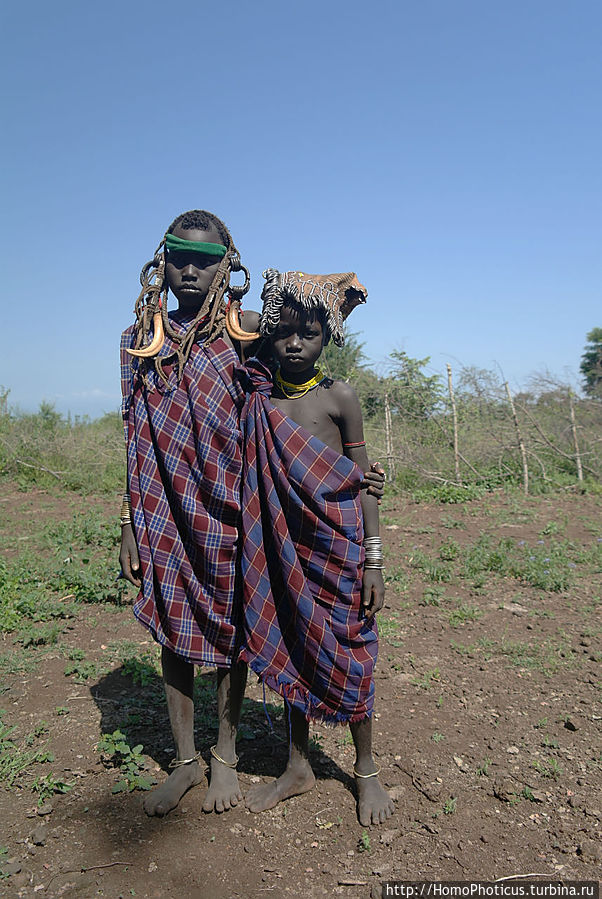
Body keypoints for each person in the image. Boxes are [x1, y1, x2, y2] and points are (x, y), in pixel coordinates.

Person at [119, 213, 385, 818]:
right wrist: (131, 521)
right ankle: (186, 761)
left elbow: (305, 328)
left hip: (238, 508)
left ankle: (225, 756)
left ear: (226, 262)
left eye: (206, 258)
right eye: (179, 256)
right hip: (166, 506)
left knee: (240, 628)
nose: (192, 269)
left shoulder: (245, 334)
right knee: (173, 624)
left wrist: (343, 291)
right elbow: (132, 432)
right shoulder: (140, 341)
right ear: (161, 260)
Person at [238, 269, 394, 826]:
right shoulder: (259, 396)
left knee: (351, 651)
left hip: (341, 548)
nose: (295, 343)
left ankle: (367, 770)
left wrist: (374, 559)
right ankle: (297, 764)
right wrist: (287, 299)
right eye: (284, 333)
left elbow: (360, 480)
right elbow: (247, 325)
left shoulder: (340, 397)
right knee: (293, 647)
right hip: (284, 551)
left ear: (329, 337)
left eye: (310, 333)